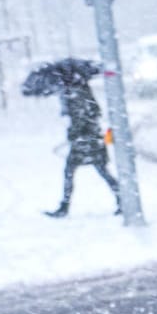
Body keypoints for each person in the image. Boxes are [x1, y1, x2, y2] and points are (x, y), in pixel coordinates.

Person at [45, 80, 118, 217]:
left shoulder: (77, 98)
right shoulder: (83, 97)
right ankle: (121, 199)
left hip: (86, 143)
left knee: (71, 172)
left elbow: (81, 122)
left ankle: (64, 207)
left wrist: (74, 132)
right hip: (91, 143)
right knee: (101, 172)